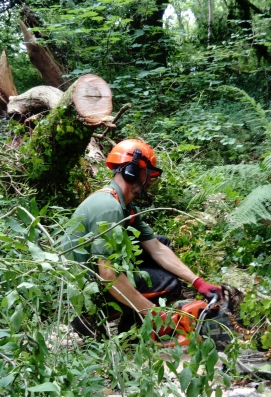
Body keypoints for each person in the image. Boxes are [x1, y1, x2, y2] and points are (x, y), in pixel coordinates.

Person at [64, 138, 222, 342]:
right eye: (148, 176)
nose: (148, 182)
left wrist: (198, 282)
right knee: (170, 283)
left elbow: (157, 249)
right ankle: (94, 316)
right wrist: (153, 313)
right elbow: (108, 273)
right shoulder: (109, 208)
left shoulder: (124, 207)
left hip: (93, 276)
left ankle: (129, 327)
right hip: (85, 288)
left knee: (162, 242)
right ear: (132, 171)